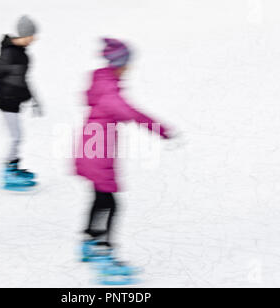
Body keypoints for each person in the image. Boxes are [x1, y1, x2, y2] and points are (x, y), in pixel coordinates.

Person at [75, 38, 172, 285]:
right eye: (128, 63)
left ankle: (88, 241)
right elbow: (131, 113)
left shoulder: (101, 81)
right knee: (112, 203)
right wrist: (161, 129)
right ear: (121, 63)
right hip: (98, 152)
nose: (130, 68)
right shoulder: (110, 92)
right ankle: (104, 255)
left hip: (89, 146)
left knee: (99, 197)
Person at [0, 16, 42, 191]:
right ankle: (8, 171)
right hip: (6, 98)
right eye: (32, 35)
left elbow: (22, 78)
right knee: (16, 137)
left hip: (13, 98)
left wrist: (32, 97)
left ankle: (13, 167)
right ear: (24, 35)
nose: (34, 38)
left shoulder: (20, 52)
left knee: (17, 136)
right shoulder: (10, 53)